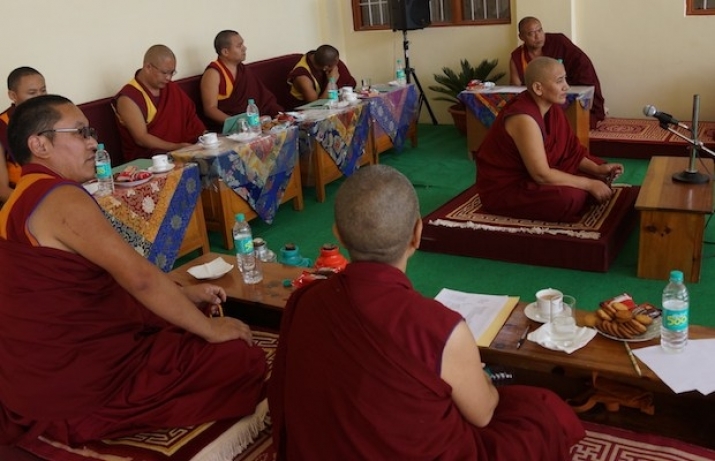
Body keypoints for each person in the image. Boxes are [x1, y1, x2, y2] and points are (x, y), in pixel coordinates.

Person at [268, 164, 585, 459]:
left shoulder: (306, 299)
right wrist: (480, 377)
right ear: (417, 233)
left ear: (337, 233)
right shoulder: (440, 327)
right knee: (543, 410)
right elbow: (484, 412)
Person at [0, 94, 267, 445]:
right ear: (39, 144)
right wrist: (209, 330)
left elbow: (95, 286)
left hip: (34, 375)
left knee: (176, 317)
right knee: (239, 358)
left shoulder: (19, 199)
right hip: (83, 383)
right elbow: (138, 279)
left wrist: (182, 293)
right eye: (80, 133)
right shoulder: (60, 197)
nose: (93, 142)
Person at [476, 57, 623, 223]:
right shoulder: (524, 118)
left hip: (536, 174)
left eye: (565, 79)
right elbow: (541, 175)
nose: (566, 86)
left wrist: (597, 169)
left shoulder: (552, 109)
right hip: (508, 187)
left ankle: (589, 185)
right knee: (570, 198)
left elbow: (570, 152)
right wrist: (588, 184)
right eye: (560, 81)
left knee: (598, 176)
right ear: (538, 88)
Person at [509, 16, 606, 128]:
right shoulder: (517, 57)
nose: (538, 36)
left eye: (540, 30)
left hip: (565, 90)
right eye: (531, 33)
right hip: (537, 99)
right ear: (521, 37)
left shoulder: (558, 42)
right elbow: (515, 89)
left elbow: (582, 63)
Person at [113, 44, 205, 161]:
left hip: (183, 150)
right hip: (150, 161)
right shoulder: (128, 98)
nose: (169, 78)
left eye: (172, 73)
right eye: (165, 72)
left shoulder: (170, 88)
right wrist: (176, 147)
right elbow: (141, 138)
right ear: (148, 67)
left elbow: (190, 116)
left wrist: (204, 134)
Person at [200, 30, 283, 132]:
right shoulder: (213, 73)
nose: (244, 48)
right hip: (231, 130)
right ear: (225, 52)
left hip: (256, 124)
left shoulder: (243, 70)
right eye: (239, 46)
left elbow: (264, 99)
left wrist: (277, 114)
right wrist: (239, 123)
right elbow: (210, 109)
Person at [0, 67, 46, 203]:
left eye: (43, 91)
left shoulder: (51, 119)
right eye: (32, 93)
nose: (40, 98)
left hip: (55, 188)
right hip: (22, 199)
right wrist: (36, 202)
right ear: (13, 96)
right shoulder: (2, 125)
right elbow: (1, 189)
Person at [286, 44, 356, 108]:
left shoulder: (315, 57)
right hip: (302, 112)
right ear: (326, 68)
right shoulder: (303, 78)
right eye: (335, 65)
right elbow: (316, 105)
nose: (336, 67)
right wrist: (332, 81)